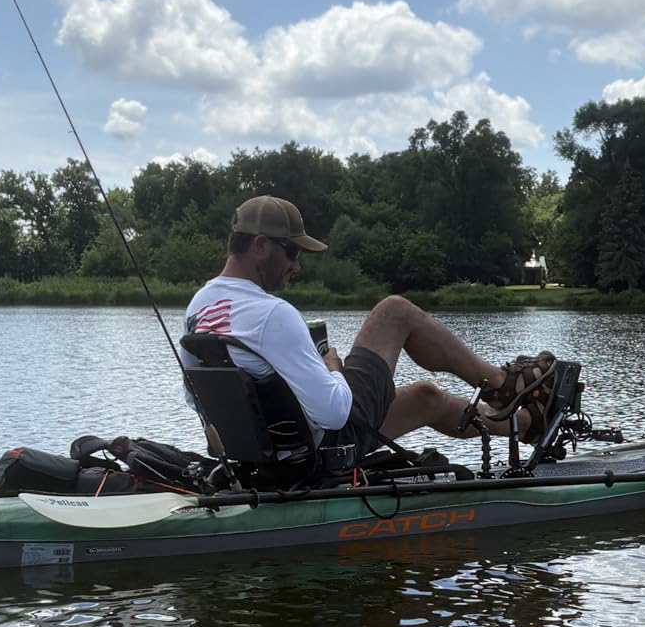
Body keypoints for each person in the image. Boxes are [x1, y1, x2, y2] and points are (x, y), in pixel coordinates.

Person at [181, 195, 561, 460]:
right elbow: (334, 413)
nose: (296, 265)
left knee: (427, 397)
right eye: (292, 252)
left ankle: (525, 424)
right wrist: (332, 367)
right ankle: (503, 384)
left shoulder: (199, 307)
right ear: (261, 245)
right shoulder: (272, 314)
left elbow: (196, 396)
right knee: (394, 311)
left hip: (269, 454)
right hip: (324, 447)